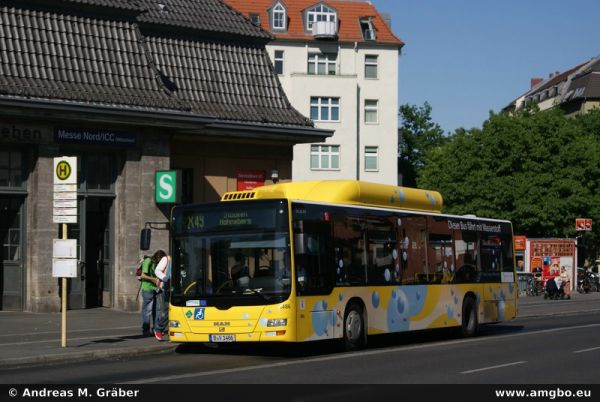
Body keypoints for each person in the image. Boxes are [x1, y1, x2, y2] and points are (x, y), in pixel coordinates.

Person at [152, 250, 171, 341]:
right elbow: (157, 271)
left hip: (175, 288)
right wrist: (165, 278)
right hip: (164, 288)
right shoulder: (166, 259)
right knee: (164, 310)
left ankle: (162, 328)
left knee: (171, 311)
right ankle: (158, 329)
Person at [138, 255, 158, 337]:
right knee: (147, 310)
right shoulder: (148, 261)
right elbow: (143, 275)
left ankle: (155, 330)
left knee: (155, 310)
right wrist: (154, 279)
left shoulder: (154, 262)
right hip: (147, 289)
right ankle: (146, 330)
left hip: (154, 288)